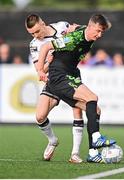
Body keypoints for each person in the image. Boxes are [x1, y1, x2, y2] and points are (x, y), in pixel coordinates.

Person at [37, 13, 116, 163]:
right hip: (59, 75)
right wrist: (41, 70)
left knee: (96, 109)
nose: (99, 35)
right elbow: (46, 46)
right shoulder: (74, 39)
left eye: (102, 32)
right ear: (91, 26)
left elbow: (78, 27)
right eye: (98, 31)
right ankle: (96, 137)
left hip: (70, 74)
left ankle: (93, 153)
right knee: (92, 98)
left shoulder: (86, 31)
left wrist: (73, 26)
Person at [25, 14, 84, 163]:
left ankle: (75, 153)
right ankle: (52, 140)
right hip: (54, 80)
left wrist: (76, 29)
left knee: (77, 110)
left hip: (69, 74)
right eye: (31, 33)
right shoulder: (34, 45)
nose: (35, 35)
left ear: (43, 23)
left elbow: (78, 33)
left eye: (37, 31)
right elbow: (41, 71)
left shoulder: (62, 26)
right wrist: (48, 62)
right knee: (39, 117)